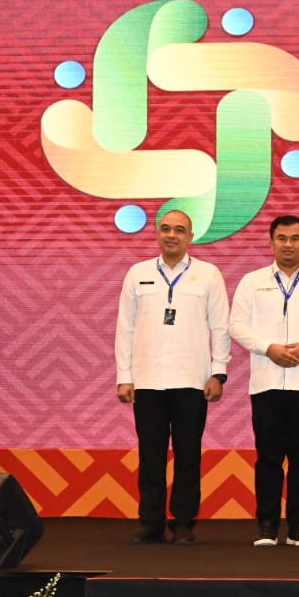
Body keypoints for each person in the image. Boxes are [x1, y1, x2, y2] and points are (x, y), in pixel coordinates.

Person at [115, 209, 230, 546]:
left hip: (192, 378)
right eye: (165, 229)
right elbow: (125, 327)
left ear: (191, 237)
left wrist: (218, 372)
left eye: (179, 230)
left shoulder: (208, 274)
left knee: (187, 454)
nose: (171, 235)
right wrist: (124, 376)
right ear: (157, 234)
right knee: (150, 455)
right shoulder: (137, 273)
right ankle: (151, 522)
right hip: (147, 379)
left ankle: (183, 523)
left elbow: (220, 327)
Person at [229, 215, 299, 548]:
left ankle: (298, 526)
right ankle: (267, 524)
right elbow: (237, 325)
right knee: (268, 457)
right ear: (271, 242)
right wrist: (268, 348)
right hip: (266, 382)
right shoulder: (252, 282)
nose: (288, 244)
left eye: (295, 238)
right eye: (282, 238)